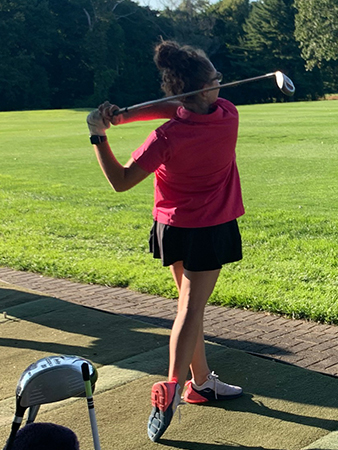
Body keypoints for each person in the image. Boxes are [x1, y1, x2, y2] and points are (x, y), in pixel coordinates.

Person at [86, 40, 244, 442]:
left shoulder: (165, 137)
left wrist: (102, 132)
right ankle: (173, 387)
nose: (220, 85)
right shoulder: (228, 116)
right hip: (209, 229)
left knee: (188, 310)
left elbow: (121, 181)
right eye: (215, 80)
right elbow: (175, 105)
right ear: (202, 92)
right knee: (191, 310)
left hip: (171, 228)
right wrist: (116, 123)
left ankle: (202, 383)